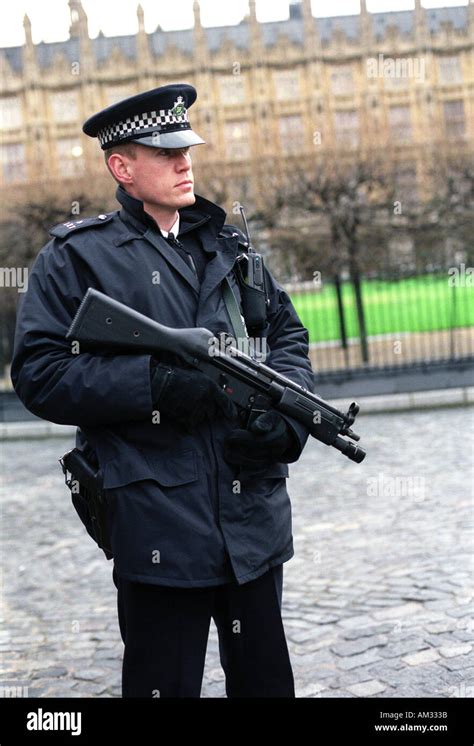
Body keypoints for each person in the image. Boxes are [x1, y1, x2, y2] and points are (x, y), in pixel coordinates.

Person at [11, 83, 315, 698]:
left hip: (250, 513)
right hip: (158, 519)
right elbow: (40, 373)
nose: (186, 163)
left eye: (188, 150)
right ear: (121, 167)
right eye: (165, 152)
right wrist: (152, 385)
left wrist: (292, 415)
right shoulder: (77, 257)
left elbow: (288, 336)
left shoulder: (229, 245)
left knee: (266, 687)